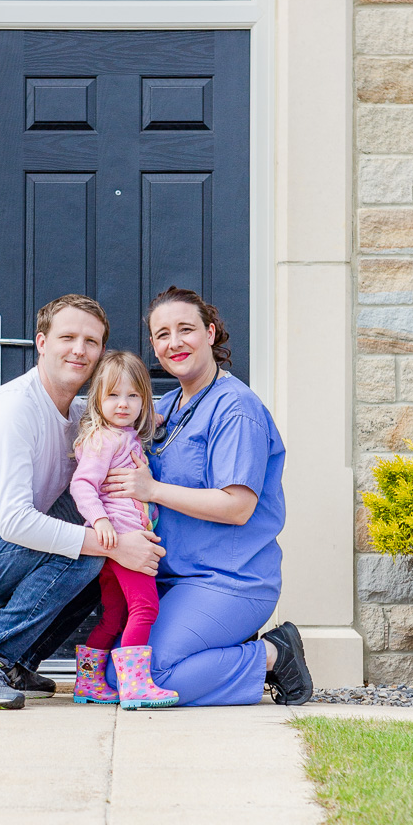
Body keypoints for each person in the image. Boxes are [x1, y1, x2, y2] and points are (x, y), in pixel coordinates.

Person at [0, 294, 164, 710]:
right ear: (41, 342)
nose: (79, 349)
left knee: (100, 556)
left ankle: (16, 664)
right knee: (90, 549)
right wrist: (118, 546)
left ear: (101, 353)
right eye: (67, 337)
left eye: (91, 341)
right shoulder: (14, 407)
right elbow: (16, 523)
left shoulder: (82, 416)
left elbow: (152, 412)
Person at [103, 286, 313, 708]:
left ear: (211, 333)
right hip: (174, 580)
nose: (174, 342)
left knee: (150, 676)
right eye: (162, 334)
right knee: (116, 671)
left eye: (186, 329)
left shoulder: (236, 409)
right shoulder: (164, 406)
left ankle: (274, 655)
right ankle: (218, 648)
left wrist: (152, 489)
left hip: (230, 581)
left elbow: (238, 507)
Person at [69, 350, 178, 710]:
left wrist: (156, 416)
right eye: (113, 395)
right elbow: (82, 485)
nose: (123, 404)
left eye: (133, 396)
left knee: (114, 615)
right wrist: (99, 520)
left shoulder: (121, 433)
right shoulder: (107, 439)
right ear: (97, 399)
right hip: (123, 541)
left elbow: (144, 419)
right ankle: (135, 687)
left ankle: (88, 681)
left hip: (114, 545)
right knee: (145, 608)